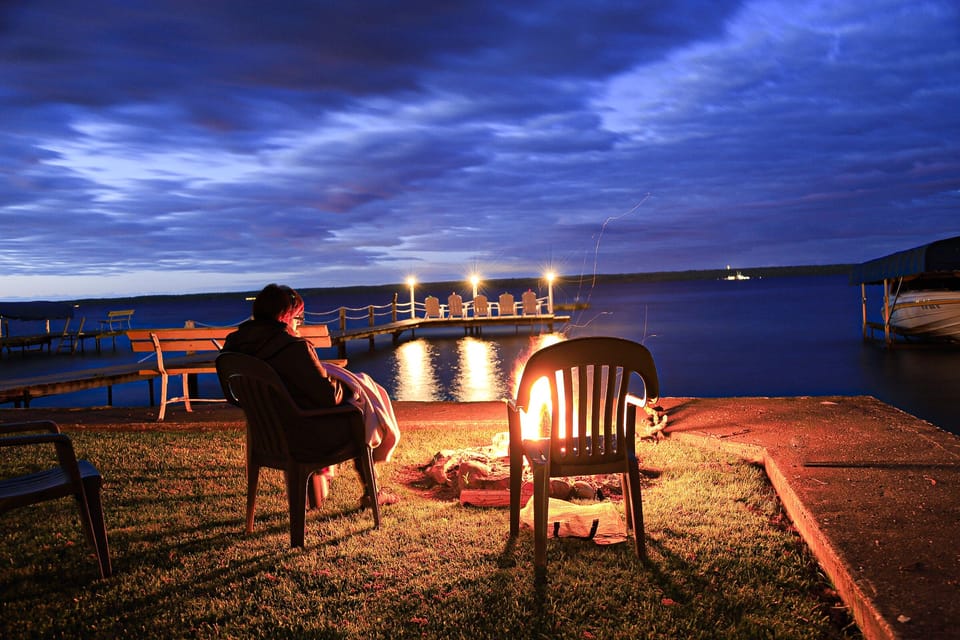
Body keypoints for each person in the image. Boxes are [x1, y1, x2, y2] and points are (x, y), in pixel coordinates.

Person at [223, 283, 400, 505]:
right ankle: (371, 491)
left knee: (319, 408)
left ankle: (316, 495)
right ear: (285, 316)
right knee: (359, 410)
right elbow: (327, 395)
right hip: (304, 438)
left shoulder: (234, 346)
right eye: (298, 317)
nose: (299, 323)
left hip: (265, 436)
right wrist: (349, 385)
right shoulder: (294, 348)